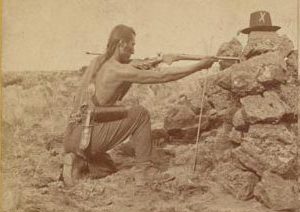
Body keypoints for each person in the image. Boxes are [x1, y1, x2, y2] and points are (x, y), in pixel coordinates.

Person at [63, 24, 217, 186]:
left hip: (72, 136)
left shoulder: (97, 62)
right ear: (122, 43)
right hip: (86, 138)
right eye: (132, 45)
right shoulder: (118, 70)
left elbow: (131, 64)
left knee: (107, 168)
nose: (133, 50)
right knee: (140, 114)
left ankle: (78, 161)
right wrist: (199, 66)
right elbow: (162, 77)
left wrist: (156, 61)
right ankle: (144, 172)